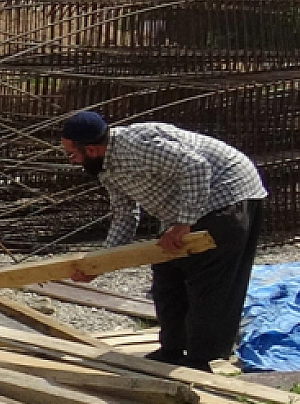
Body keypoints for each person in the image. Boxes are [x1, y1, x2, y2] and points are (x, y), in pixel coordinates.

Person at [60, 111, 266, 371]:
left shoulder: (137, 148)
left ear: (90, 149)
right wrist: (101, 264)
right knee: (167, 274)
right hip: (187, 209)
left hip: (228, 195)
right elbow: (125, 215)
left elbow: (196, 167)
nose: (73, 161)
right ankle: (172, 350)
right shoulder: (106, 167)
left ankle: (202, 360)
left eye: (72, 154)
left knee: (207, 280)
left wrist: (183, 223)